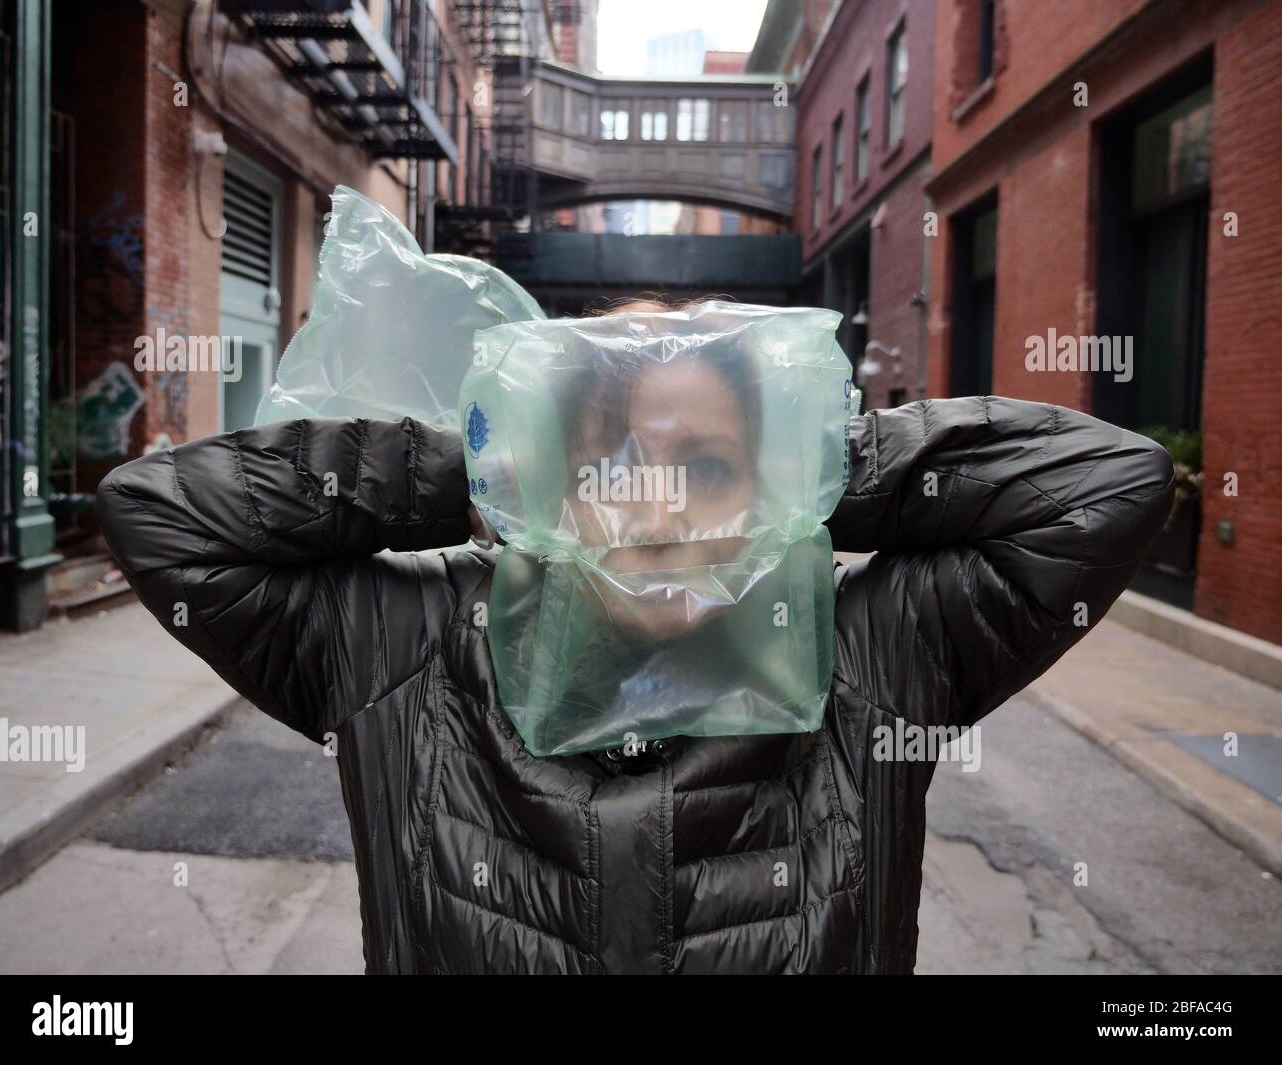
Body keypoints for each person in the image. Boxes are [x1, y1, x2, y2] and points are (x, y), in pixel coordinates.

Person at [95, 295, 1174, 974]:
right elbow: (164, 516)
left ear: (772, 487)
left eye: (704, 467)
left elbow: (1106, 485)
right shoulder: (408, 649)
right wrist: (468, 473)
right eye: (609, 466)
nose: (655, 513)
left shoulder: (868, 657)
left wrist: (822, 462)